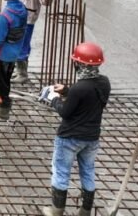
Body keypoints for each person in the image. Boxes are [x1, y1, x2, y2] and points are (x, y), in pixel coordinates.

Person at [37, 42, 110, 216]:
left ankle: (56, 211)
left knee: (61, 171)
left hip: (69, 138)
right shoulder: (104, 83)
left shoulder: (80, 88)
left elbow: (65, 112)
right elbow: (88, 99)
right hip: (91, 138)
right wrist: (66, 91)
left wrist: (54, 98)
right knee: (88, 171)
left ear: (80, 64)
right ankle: (85, 211)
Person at [16, 0, 51, 83]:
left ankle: (23, 74)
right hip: (19, 19)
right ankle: (18, 71)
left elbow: (45, 1)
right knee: (17, 43)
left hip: (28, 20)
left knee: (23, 44)